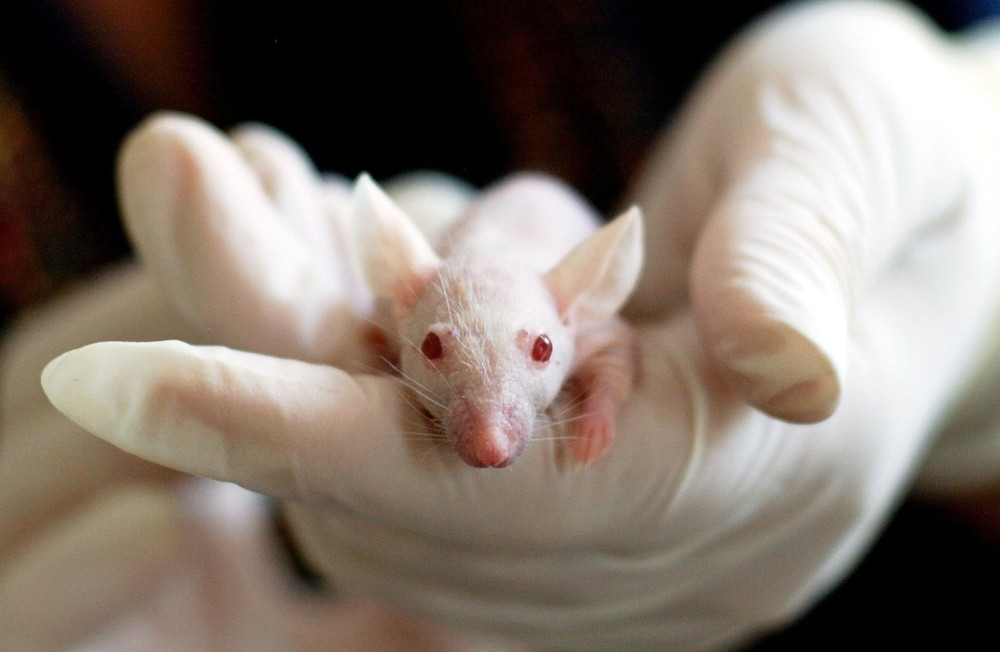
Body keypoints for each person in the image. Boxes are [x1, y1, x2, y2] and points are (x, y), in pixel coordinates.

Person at [4, 0, 1000, 649]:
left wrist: (969, 321)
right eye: (428, 350)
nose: (488, 440)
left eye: (539, 356)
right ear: (395, 293)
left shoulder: (579, 314)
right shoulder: (414, 303)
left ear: (588, 294)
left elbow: (597, 353)